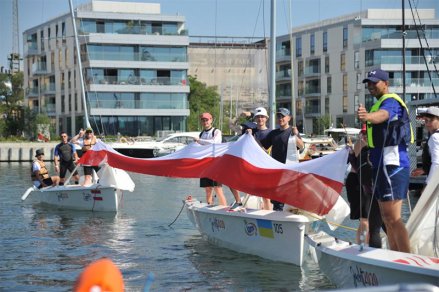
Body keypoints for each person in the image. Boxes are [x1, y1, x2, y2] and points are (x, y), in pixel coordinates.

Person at [357, 68, 414, 252]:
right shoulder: (378, 103)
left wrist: (367, 117)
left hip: (393, 164)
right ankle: (395, 256)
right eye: (369, 83)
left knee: (393, 217)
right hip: (380, 165)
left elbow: (383, 115)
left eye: (375, 82)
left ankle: (406, 259)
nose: (371, 86)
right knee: (386, 217)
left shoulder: (390, 101)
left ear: (386, 84)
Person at [346, 124, 384, 248]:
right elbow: (358, 166)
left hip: (363, 182)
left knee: (367, 219)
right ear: (360, 134)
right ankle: (362, 245)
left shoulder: (368, 147)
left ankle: (363, 244)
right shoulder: (361, 144)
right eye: (364, 133)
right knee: (365, 219)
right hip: (358, 183)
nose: (366, 136)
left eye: (368, 134)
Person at [260, 107, 304, 211]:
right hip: (276, 171)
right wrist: (251, 137)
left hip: (289, 172)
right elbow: (263, 147)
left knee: (289, 197)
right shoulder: (273, 133)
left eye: (283, 116)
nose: (280, 118)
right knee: (277, 200)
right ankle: (277, 218)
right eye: (279, 116)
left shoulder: (292, 132)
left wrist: (296, 135)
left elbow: (302, 146)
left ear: (289, 118)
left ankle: (289, 216)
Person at [194, 112, 228, 206]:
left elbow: (214, 142)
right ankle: (209, 206)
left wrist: (199, 141)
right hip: (206, 164)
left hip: (216, 164)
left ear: (211, 120)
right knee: (208, 189)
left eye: (207, 120)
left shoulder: (216, 132)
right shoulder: (201, 134)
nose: (205, 122)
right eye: (203, 120)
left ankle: (224, 208)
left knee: (218, 188)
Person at [251, 107, 273, 210]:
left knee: (266, 196)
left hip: (266, 167)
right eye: (258, 117)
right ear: (255, 119)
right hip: (253, 166)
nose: (260, 119)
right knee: (252, 191)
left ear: (266, 118)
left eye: (262, 117)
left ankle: (268, 213)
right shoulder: (251, 132)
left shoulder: (271, 133)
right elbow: (233, 126)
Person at [411, 106, 439, 184]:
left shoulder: (435, 137)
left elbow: (437, 164)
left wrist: (428, 185)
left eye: (431, 120)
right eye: (426, 121)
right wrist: (424, 170)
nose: (428, 124)